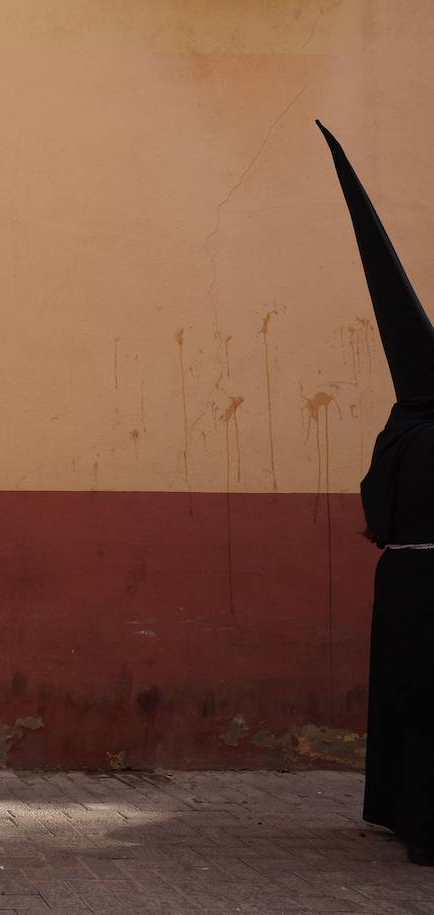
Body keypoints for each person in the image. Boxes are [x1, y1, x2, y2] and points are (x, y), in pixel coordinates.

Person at [319, 121, 434, 867]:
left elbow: (371, 503)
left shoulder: (398, 428)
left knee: (401, 697)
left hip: (398, 574)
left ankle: (398, 811)